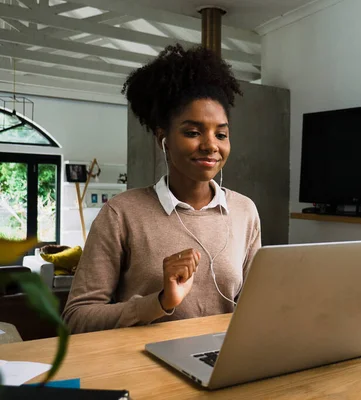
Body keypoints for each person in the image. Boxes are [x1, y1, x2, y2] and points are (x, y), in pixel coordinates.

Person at [62, 44, 261, 334]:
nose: (211, 145)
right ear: (163, 139)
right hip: (146, 368)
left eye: (221, 134)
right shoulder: (121, 213)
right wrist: (160, 302)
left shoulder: (245, 211)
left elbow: (252, 307)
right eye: (193, 132)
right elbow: (77, 318)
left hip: (225, 364)